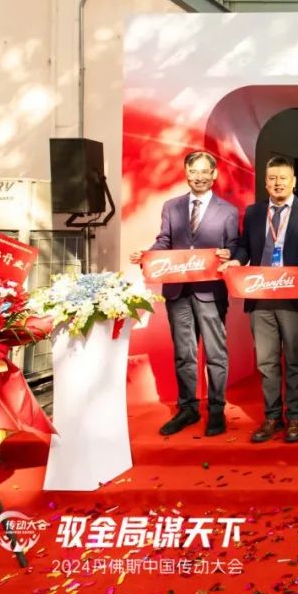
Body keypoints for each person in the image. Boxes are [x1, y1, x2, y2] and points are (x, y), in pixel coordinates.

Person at [130, 151, 239, 437]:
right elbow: (164, 240)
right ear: (186, 173)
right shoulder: (172, 207)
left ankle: (216, 409)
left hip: (211, 292)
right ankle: (188, 408)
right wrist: (147, 256)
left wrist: (230, 254)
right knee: (184, 353)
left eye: (205, 171)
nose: (199, 177)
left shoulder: (227, 210)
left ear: (214, 174)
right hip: (178, 291)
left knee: (216, 353)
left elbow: (235, 246)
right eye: (194, 171)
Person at [224, 156, 298, 444]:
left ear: (293, 181)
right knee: (266, 361)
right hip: (261, 295)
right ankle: (272, 417)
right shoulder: (254, 212)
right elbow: (244, 247)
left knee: (294, 359)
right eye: (272, 178)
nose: (278, 183)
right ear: (266, 182)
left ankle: (294, 417)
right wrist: (235, 261)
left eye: (283, 178)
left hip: (293, 294)